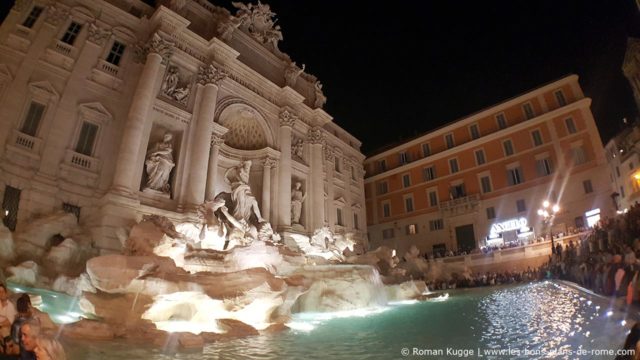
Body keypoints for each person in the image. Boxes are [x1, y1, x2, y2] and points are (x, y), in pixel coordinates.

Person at [0, 284, 16, 352]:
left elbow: (10, 321)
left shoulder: (10, 306)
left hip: (6, 329)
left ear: (6, 293)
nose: (1, 294)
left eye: (3, 291)